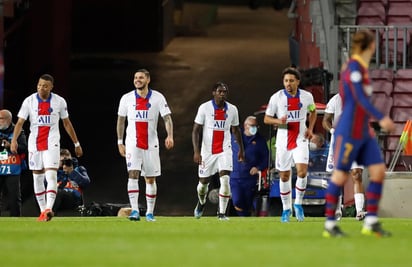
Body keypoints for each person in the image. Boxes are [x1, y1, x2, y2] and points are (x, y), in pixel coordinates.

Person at [322, 29, 395, 238]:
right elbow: (360, 100)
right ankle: (330, 223)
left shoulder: (361, 68)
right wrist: (380, 117)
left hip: (363, 130)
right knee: (339, 175)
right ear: (370, 46)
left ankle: (370, 221)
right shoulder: (353, 67)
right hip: (348, 131)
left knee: (378, 171)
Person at [10, 74, 83, 222]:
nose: (41, 88)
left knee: (51, 175)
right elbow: (19, 123)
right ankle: (43, 211)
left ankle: (49, 208)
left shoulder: (59, 101)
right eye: (39, 85)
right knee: (37, 177)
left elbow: (67, 124)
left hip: (52, 143)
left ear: (51, 87)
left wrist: (76, 143)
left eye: (44, 85)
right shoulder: (29, 101)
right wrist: (14, 140)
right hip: (34, 144)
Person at [116, 68, 174, 222]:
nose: (137, 80)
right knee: (133, 174)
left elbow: (167, 118)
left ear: (148, 79)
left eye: (141, 77)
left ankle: (149, 212)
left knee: (150, 178)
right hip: (132, 143)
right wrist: (120, 142)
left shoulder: (158, 98)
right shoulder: (126, 98)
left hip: (151, 144)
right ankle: (134, 210)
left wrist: (170, 136)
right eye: (135, 77)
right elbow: (121, 120)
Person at [264, 66, 317, 222]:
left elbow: (313, 111)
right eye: (286, 81)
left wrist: (311, 128)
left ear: (298, 82)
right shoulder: (276, 98)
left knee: (302, 172)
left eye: (291, 81)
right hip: (283, 141)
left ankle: (298, 204)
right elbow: (267, 119)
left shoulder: (307, 97)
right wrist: (278, 121)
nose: (288, 83)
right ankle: (286, 209)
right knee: (284, 175)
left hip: (300, 138)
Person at [192, 82, 245, 220]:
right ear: (213, 93)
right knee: (203, 185)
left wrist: (241, 149)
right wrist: (197, 151)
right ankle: (202, 202)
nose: (222, 94)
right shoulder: (204, 108)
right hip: (207, 152)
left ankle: (221, 213)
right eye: (220, 91)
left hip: (224, 150)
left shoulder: (232, 109)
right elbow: (196, 130)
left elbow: (236, 130)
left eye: (225, 92)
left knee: (226, 180)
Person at [323, 93, 366, 221]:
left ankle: (359, 211)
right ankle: (337, 210)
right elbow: (325, 120)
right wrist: (332, 130)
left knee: (357, 174)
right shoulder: (335, 100)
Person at [230, 115, 269, 216]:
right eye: (252, 125)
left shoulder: (260, 141)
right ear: (245, 125)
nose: (254, 128)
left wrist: (258, 168)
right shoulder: (233, 137)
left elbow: (266, 158)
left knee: (248, 202)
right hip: (234, 176)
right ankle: (243, 217)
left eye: (256, 126)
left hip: (250, 178)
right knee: (237, 200)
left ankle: (247, 218)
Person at [0, 109, 27, 216]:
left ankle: (15, 219)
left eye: (0, 119)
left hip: (12, 169)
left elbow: (24, 148)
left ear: (8, 119)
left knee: (14, 197)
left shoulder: (18, 131)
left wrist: (10, 145)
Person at [53, 148, 90, 214]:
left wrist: (71, 172)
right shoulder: (54, 171)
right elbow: (45, 185)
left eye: (67, 160)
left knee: (59, 193)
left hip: (74, 198)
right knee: (57, 192)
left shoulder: (79, 169)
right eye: (63, 161)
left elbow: (86, 182)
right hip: (56, 197)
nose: (65, 163)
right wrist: (57, 168)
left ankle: (50, 214)